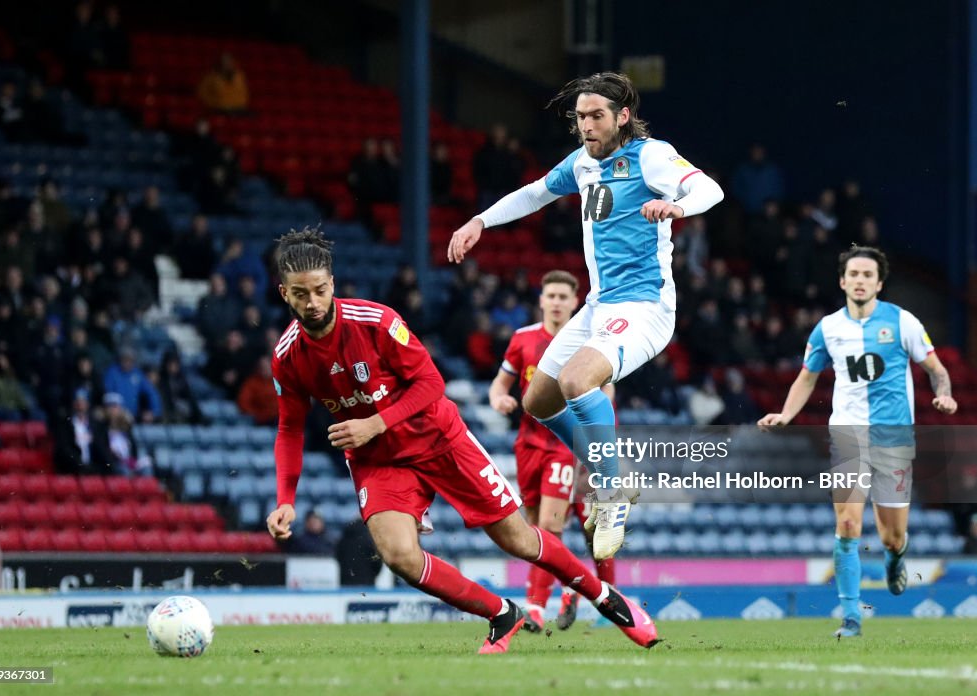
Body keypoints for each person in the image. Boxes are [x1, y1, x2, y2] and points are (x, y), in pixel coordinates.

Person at [266, 228, 657, 654]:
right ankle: (501, 614)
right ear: (285, 293)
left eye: (320, 290)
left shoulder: (376, 322)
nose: (313, 303)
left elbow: (431, 383)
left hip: (439, 438)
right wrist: (286, 498)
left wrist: (377, 422)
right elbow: (289, 428)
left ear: (332, 284)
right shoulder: (287, 356)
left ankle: (604, 596)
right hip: (377, 461)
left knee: (519, 541)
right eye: (301, 294)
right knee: (399, 556)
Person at [448, 72, 724, 559]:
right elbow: (534, 193)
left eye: (596, 115)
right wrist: (480, 221)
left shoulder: (651, 155)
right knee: (538, 399)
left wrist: (676, 207)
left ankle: (613, 493)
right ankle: (613, 475)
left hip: (644, 306)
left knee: (578, 382)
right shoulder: (581, 163)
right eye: (580, 117)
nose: (587, 125)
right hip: (599, 305)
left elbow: (709, 190)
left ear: (622, 116)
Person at [758, 246, 958, 638]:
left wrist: (945, 393)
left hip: (894, 438)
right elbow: (806, 376)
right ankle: (851, 618)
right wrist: (786, 414)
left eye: (869, 274)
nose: (861, 280)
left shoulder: (904, 322)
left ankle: (895, 557)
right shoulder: (827, 328)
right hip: (847, 435)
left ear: (879, 283)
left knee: (891, 534)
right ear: (842, 281)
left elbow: (937, 370)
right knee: (848, 523)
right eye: (855, 274)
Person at [489, 270, 615, 632]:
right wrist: (499, 399)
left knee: (552, 525)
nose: (557, 302)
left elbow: (606, 393)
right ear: (541, 300)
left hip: (567, 445)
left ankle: (538, 605)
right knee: (535, 528)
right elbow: (500, 385)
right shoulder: (522, 339)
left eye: (564, 297)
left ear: (576, 302)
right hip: (528, 445)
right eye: (552, 296)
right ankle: (565, 590)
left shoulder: (589, 342)